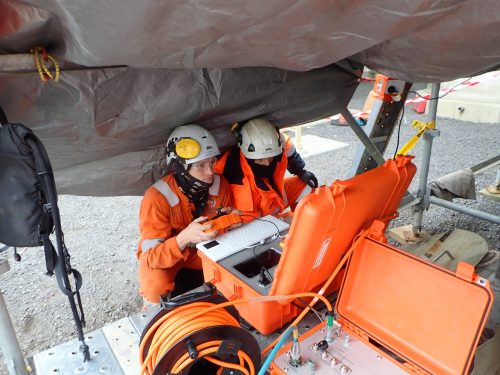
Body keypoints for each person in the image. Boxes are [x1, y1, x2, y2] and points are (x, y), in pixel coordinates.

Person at [137, 124, 233, 305]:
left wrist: (231, 220)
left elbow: (223, 218)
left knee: (233, 266)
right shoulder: (156, 198)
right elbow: (151, 257)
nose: (210, 172)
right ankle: (155, 316)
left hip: (202, 251)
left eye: (212, 162)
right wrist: (183, 239)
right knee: (154, 288)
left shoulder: (220, 184)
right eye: (201, 165)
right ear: (179, 167)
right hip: (167, 256)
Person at [215, 118, 318, 221]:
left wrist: (300, 170)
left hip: (276, 199)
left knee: (307, 185)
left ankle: (301, 225)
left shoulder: (277, 142)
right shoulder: (226, 170)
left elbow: (288, 146)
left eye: (271, 158)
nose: (267, 164)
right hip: (251, 218)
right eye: (260, 160)